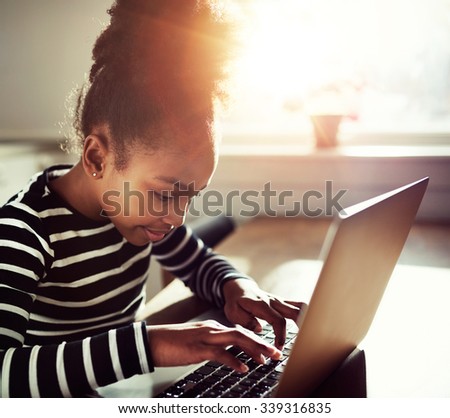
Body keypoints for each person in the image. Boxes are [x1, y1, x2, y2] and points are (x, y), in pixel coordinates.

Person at [0, 0, 304, 397]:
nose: (177, 217)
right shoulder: (24, 233)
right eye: (164, 194)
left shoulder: (138, 217)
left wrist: (236, 287)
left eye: (190, 197)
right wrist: (150, 346)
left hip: (122, 390)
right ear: (97, 157)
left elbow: (199, 265)